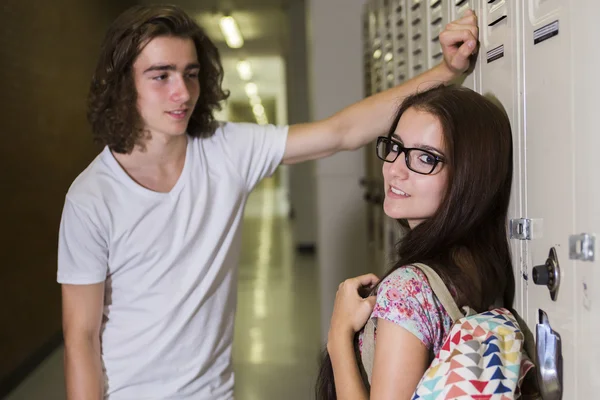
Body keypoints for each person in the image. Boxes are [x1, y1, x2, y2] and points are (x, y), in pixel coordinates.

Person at [57, 4, 479, 399]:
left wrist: (445, 70)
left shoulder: (225, 150)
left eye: (190, 73)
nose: (182, 92)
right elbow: (81, 337)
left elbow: (340, 132)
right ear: (122, 83)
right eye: (160, 75)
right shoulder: (92, 198)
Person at [317, 84, 515, 399]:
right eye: (395, 147)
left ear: (468, 175)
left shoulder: (407, 289)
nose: (395, 169)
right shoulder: (476, 263)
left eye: (425, 158)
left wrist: (338, 335)